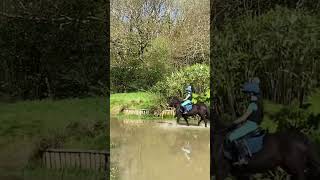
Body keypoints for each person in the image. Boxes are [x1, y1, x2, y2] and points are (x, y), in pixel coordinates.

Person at [227, 78, 263, 165]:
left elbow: (244, 117)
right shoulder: (259, 104)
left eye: (249, 94)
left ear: (251, 94)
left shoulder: (252, 105)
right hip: (254, 124)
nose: (248, 96)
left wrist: (234, 122)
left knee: (232, 136)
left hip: (251, 125)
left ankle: (242, 158)